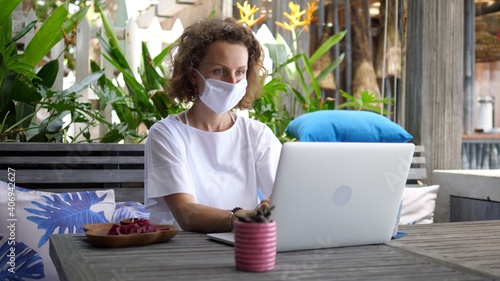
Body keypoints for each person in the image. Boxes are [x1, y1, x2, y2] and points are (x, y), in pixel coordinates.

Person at [144, 17, 282, 233]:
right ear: (192, 75)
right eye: (219, 71)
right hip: (184, 252)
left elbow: (285, 194)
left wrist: (272, 205)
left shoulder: (257, 134)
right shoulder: (166, 134)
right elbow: (186, 213)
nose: (232, 82)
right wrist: (241, 217)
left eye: (240, 72)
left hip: (243, 243)